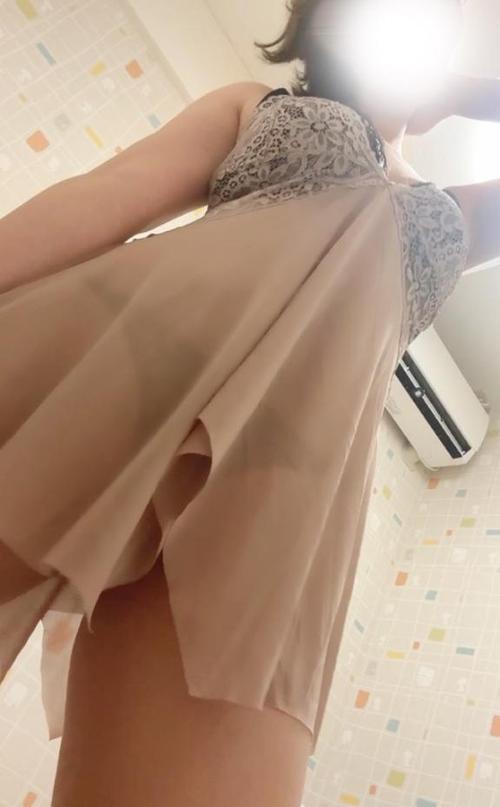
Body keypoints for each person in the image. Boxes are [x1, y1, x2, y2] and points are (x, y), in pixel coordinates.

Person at [0, 0, 497, 805]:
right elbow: (104, 196)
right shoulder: (253, 105)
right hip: (138, 379)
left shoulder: (459, 215)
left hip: (289, 492)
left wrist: (465, 90)